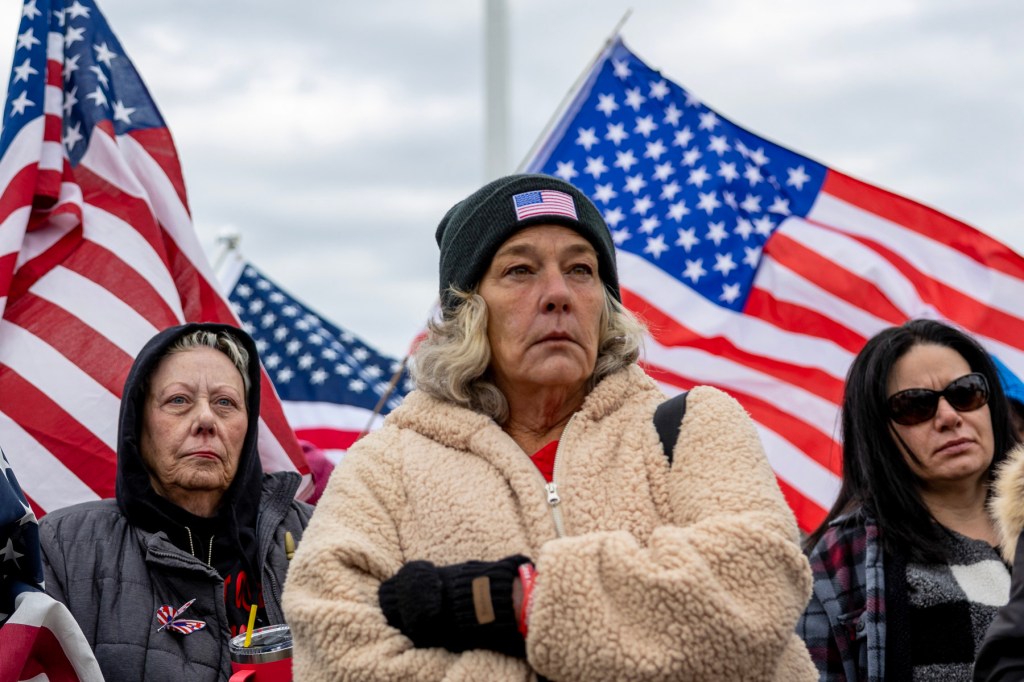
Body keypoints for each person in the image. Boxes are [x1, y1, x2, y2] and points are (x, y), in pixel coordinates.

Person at [283, 174, 816, 680]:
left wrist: (515, 598)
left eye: (581, 270)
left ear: (604, 305)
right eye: (520, 270)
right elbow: (333, 652)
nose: (558, 293)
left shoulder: (693, 424)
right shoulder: (383, 467)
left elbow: (756, 590)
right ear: (467, 309)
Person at [38, 323, 312, 681]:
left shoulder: (316, 534)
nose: (205, 420)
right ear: (139, 425)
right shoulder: (62, 548)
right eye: (178, 400)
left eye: (225, 403)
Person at [797, 319, 1017, 681]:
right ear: (878, 434)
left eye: (965, 393)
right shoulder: (839, 558)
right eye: (915, 405)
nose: (949, 417)